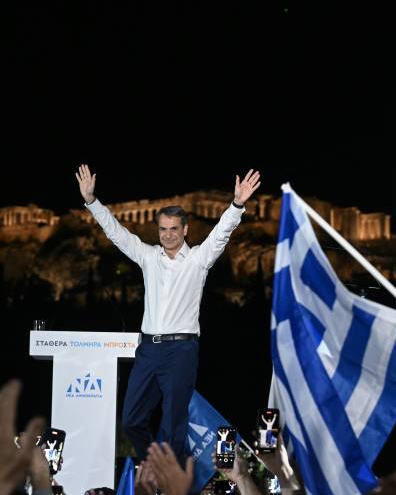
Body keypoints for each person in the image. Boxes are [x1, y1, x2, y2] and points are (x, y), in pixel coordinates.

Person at [75, 163, 260, 464]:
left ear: (185, 230)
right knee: (131, 420)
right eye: (163, 229)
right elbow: (117, 234)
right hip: (148, 349)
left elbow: (221, 234)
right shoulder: (148, 257)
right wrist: (92, 201)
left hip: (181, 350)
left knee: (174, 426)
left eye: (174, 229)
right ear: (157, 230)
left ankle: (172, 489)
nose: (168, 234)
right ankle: (155, 466)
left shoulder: (199, 259)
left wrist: (237, 204)